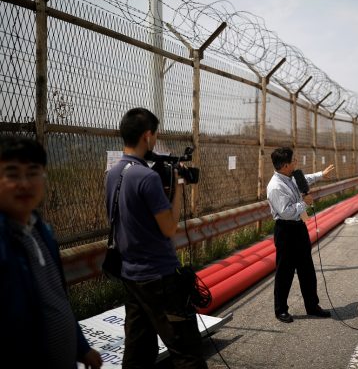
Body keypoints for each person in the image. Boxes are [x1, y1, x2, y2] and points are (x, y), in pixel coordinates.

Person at [105, 108, 207, 369]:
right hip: (159, 276)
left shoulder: (114, 172)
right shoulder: (148, 177)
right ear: (147, 136)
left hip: (130, 274)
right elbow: (170, 227)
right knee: (187, 352)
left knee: (138, 350)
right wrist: (175, 184)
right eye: (155, 136)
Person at [0, 135, 103, 369]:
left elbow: (57, 297)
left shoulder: (41, 230)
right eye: (12, 174)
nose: (24, 183)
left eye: (33, 172)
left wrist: (81, 347)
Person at [266, 147, 335, 323]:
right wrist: (304, 203)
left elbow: (305, 179)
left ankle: (312, 306)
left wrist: (321, 174)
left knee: (307, 269)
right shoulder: (276, 186)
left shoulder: (291, 177)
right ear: (285, 165)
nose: (296, 162)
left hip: (299, 228)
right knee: (285, 272)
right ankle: (280, 310)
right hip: (286, 230)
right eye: (293, 160)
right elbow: (286, 212)